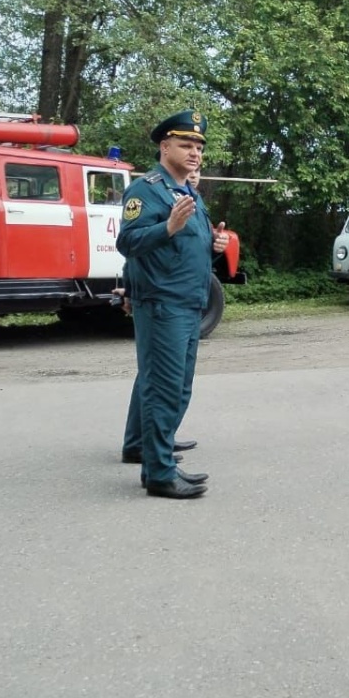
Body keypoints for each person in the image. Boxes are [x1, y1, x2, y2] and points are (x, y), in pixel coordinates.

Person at [117, 109, 226, 499]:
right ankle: (160, 472)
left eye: (199, 145)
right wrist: (167, 227)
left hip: (188, 301)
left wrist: (214, 245)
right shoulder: (146, 190)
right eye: (186, 144)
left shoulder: (187, 190)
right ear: (165, 147)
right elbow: (127, 243)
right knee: (164, 388)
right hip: (163, 303)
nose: (195, 151)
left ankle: (148, 452)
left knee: (173, 385)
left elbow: (188, 248)